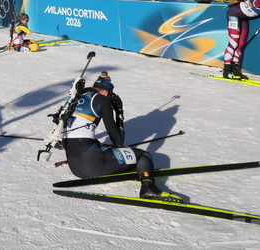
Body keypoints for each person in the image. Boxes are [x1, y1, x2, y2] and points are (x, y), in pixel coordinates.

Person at [63, 74, 178, 202]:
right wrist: (119, 111)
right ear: (106, 92)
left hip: (75, 167)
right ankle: (148, 187)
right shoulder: (101, 99)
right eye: (109, 95)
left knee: (105, 147)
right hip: (92, 164)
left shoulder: (75, 98)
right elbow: (118, 141)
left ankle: (125, 166)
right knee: (144, 156)